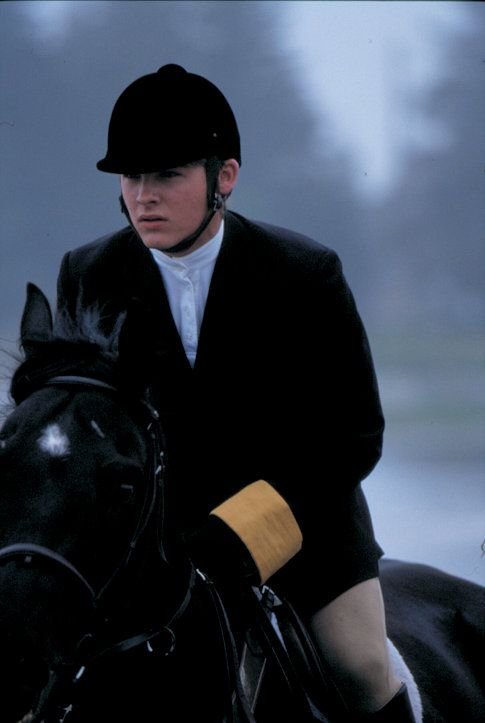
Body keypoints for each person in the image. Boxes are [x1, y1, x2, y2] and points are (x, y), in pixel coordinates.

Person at [55, 63, 415, 721]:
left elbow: (353, 436)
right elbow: (81, 430)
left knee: (360, 669)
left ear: (224, 177)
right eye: (131, 177)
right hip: (151, 546)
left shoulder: (304, 272)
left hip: (302, 534)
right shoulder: (89, 273)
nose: (143, 197)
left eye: (166, 176)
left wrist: (242, 530)